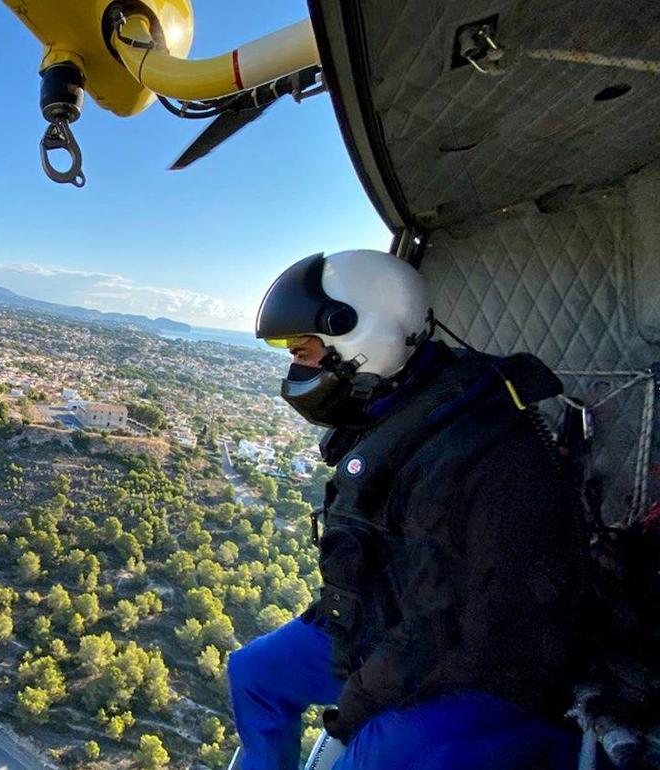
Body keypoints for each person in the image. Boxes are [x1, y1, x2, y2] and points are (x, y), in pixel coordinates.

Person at [226, 250, 586, 770]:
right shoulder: (400, 408)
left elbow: (441, 624)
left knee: (371, 753)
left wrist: (354, 712)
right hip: (391, 630)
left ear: (361, 340)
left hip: (484, 670)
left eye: (304, 351)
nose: (296, 367)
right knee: (254, 672)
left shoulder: (472, 448)